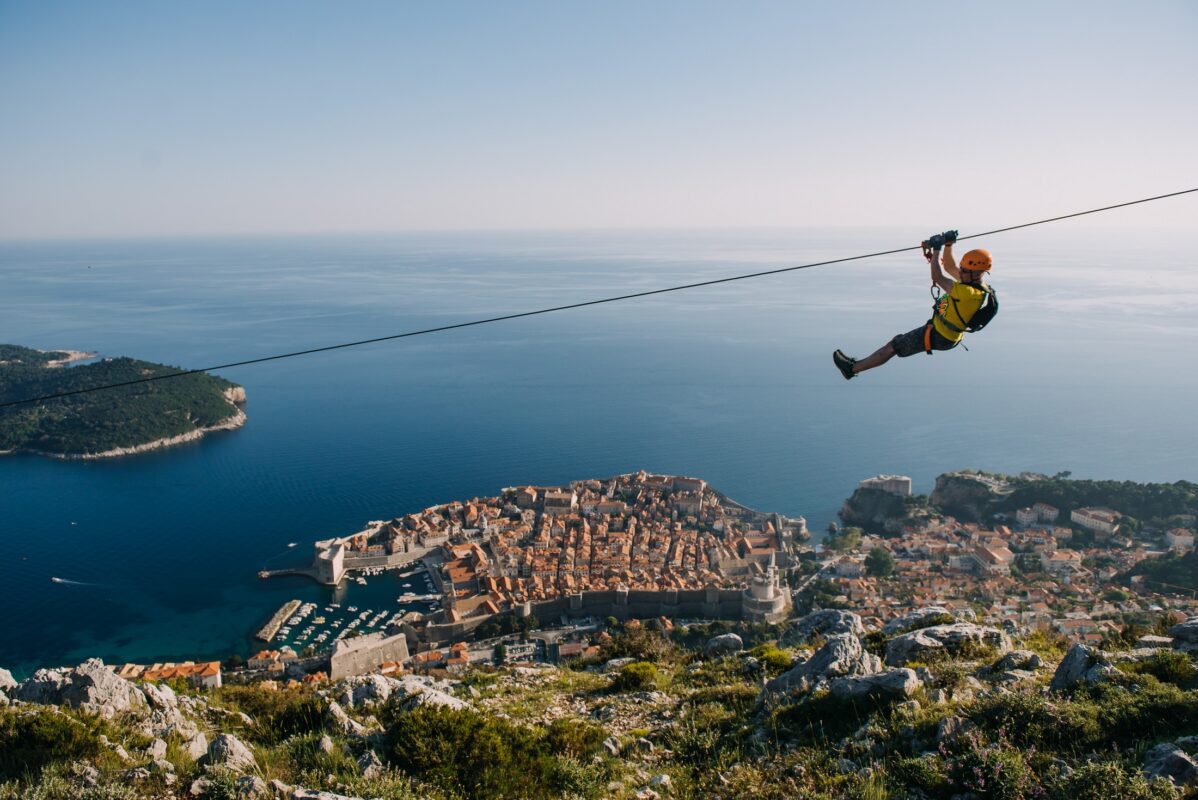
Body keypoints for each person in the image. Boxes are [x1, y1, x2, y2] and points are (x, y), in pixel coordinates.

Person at [833, 230, 993, 379]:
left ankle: (851, 369)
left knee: (894, 346)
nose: (961, 272)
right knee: (894, 343)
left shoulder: (968, 293)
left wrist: (937, 249)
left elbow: (938, 276)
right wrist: (948, 245)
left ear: (977, 273)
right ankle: (854, 367)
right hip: (942, 332)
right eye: (962, 269)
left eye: (964, 270)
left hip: (941, 336)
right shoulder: (972, 284)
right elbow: (950, 267)